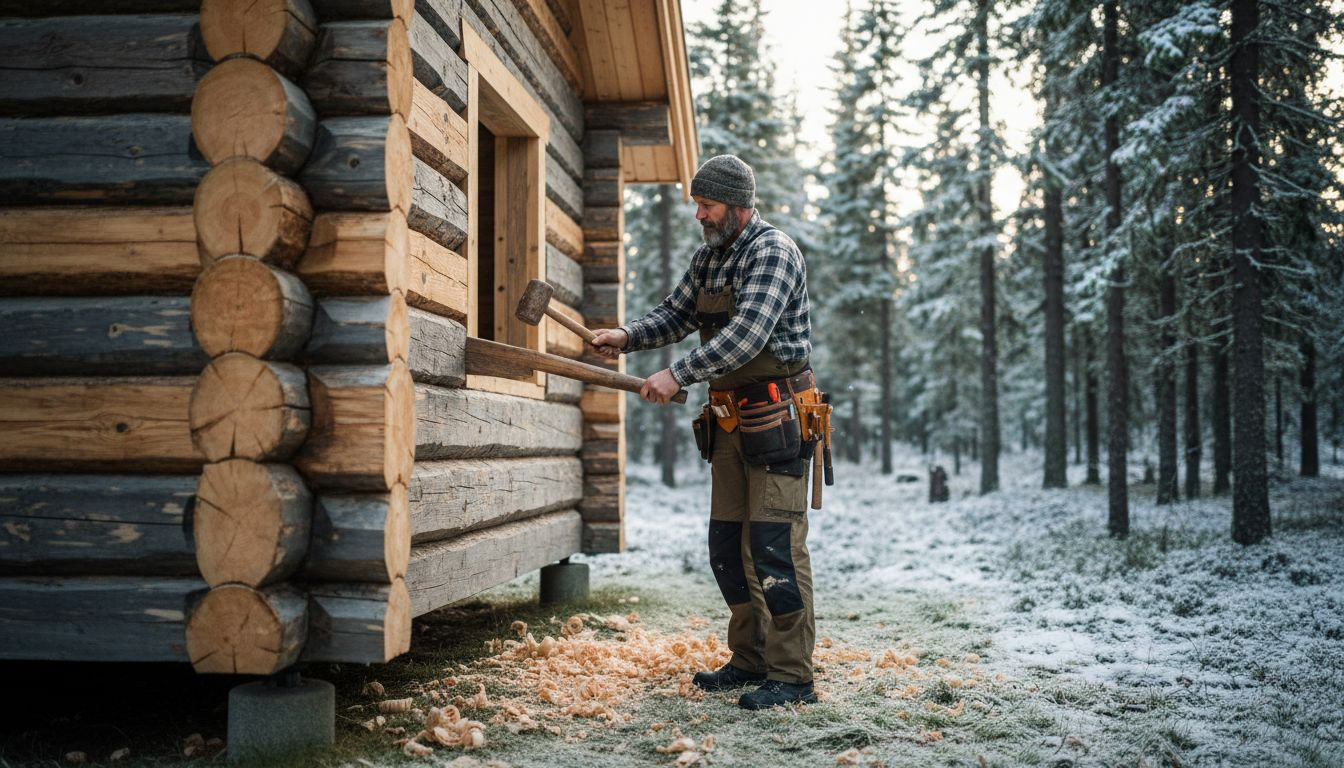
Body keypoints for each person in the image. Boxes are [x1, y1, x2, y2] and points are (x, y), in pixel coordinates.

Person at [590, 154, 821, 710]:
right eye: (697, 203)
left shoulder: (773, 252)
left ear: (740, 206)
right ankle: (750, 660)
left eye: (708, 204)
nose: (699, 214)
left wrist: (677, 373)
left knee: (774, 548)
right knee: (727, 545)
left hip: (777, 419)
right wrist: (627, 336)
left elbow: (747, 335)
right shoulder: (709, 258)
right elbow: (675, 314)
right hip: (728, 422)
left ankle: (793, 678)